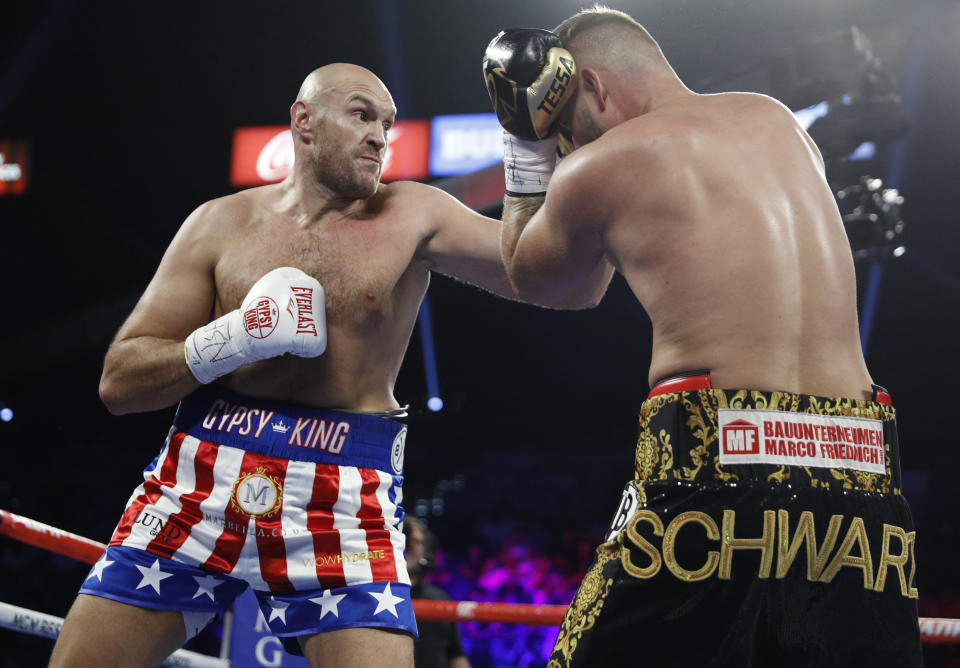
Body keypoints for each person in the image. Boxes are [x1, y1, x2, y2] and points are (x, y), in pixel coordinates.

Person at [47, 63, 570, 668]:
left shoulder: (413, 213)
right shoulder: (218, 223)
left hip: (341, 491)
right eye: (361, 114)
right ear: (304, 121)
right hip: (202, 473)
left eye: (387, 123)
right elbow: (120, 383)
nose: (380, 134)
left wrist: (531, 154)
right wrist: (234, 339)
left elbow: (552, 280)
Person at [484, 7, 923, 667]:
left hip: (721, 464)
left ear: (595, 87)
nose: (573, 144)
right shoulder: (778, 122)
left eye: (570, 124)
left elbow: (535, 277)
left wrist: (527, 141)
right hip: (863, 474)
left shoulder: (601, 164)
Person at [404, 517, 471, 668]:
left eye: (418, 541)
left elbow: (456, 655)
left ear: (426, 552)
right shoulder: (371, 597)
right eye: (405, 539)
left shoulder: (440, 599)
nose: (410, 545)